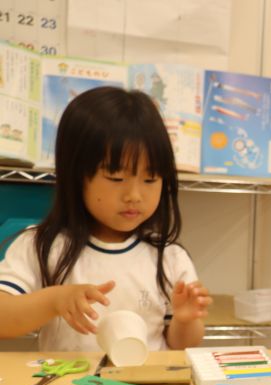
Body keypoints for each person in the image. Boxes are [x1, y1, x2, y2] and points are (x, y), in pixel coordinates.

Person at [0, 87, 210, 351]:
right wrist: (55, 300)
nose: (134, 195)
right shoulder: (42, 245)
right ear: (77, 177)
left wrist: (186, 320)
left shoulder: (169, 257)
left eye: (150, 179)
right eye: (117, 179)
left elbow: (179, 345)